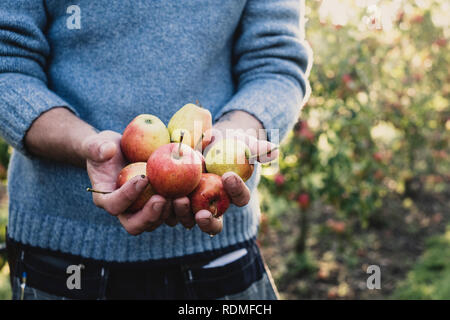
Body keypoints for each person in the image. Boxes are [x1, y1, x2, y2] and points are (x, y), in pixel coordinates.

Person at [0, 0, 311, 300]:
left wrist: (232, 140)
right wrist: (87, 145)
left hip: (217, 253)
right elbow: (7, 65)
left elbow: (276, 65)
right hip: (61, 252)